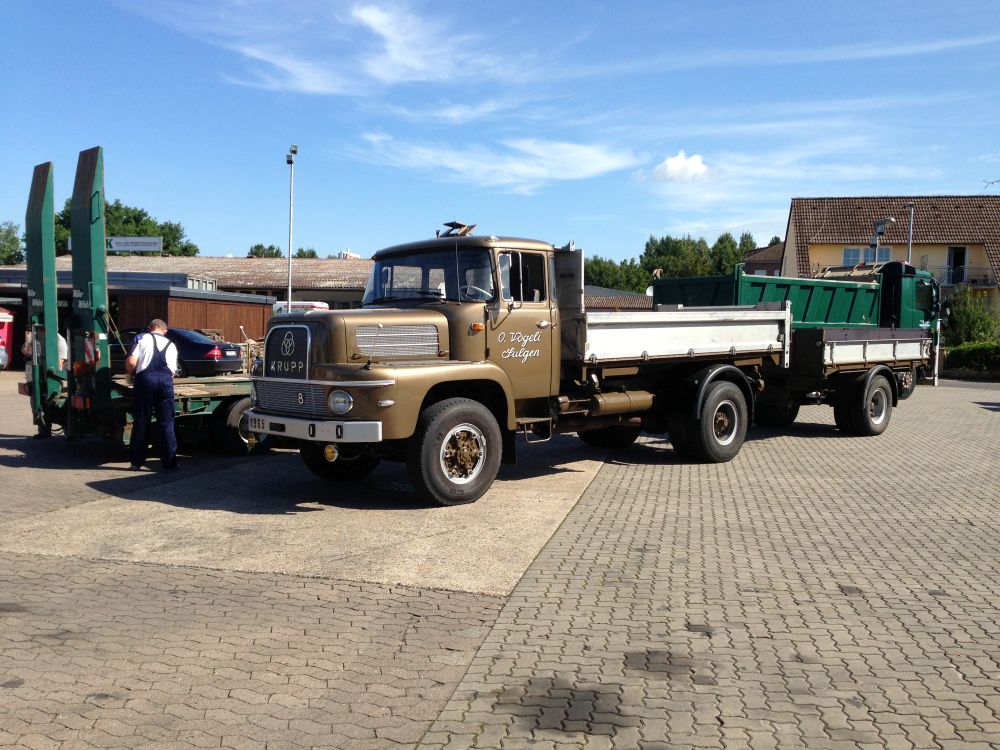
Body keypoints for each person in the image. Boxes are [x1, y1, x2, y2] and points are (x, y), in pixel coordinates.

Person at [125, 319, 179, 471]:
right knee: (166, 423)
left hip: (145, 381)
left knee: (142, 421)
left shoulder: (140, 338)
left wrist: (130, 374)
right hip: (165, 382)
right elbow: (173, 371)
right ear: (165, 331)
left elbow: (131, 362)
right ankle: (169, 463)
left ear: (150, 328)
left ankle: (136, 462)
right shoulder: (171, 344)